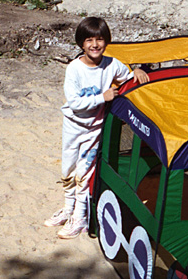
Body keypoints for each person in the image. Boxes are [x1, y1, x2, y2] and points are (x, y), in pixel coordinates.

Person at [45, 17, 149, 239]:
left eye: (100, 39)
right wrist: (103, 97)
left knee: (84, 172)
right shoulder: (74, 69)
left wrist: (137, 70)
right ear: (81, 44)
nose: (94, 44)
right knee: (67, 170)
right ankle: (68, 209)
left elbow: (127, 77)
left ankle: (80, 219)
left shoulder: (111, 65)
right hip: (73, 126)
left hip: (94, 129)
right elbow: (74, 102)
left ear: (106, 41)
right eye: (89, 40)